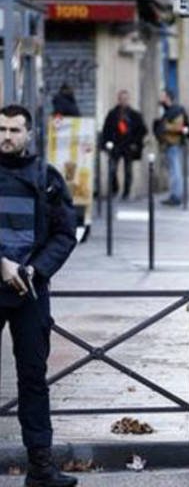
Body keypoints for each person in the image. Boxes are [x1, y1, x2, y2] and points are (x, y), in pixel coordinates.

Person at [0, 104, 78, 487]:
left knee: (33, 379)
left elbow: (66, 233)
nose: (7, 136)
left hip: (29, 291)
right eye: (1, 129)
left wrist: (35, 269)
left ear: (28, 134)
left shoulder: (45, 177)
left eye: (15, 130)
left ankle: (42, 469)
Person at [100, 90, 147, 200]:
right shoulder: (112, 114)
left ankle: (126, 192)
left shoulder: (134, 115)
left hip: (128, 146)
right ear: (118, 99)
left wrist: (135, 142)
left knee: (128, 171)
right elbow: (106, 130)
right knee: (112, 169)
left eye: (125, 99)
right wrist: (106, 143)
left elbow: (142, 130)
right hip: (115, 145)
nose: (124, 101)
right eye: (122, 99)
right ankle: (114, 189)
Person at [152, 89, 189, 206]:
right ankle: (174, 194)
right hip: (168, 144)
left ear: (168, 97)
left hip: (174, 144)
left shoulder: (176, 110)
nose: (160, 97)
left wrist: (165, 126)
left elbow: (179, 127)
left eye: (163, 95)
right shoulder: (166, 110)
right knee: (173, 171)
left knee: (175, 171)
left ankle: (176, 196)